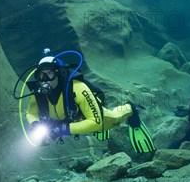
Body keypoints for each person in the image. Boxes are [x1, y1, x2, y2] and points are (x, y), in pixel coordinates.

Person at [26, 55, 156, 153]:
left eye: (50, 74)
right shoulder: (37, 92)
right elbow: (31, 113)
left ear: (58, 74)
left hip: (88, 112)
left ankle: (130, 108)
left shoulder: (77, 87)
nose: (45, 81)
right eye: (41, 75)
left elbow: (96, 121)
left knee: (109, 122)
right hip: (67, 118)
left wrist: (63, 129)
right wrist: (35, 123)